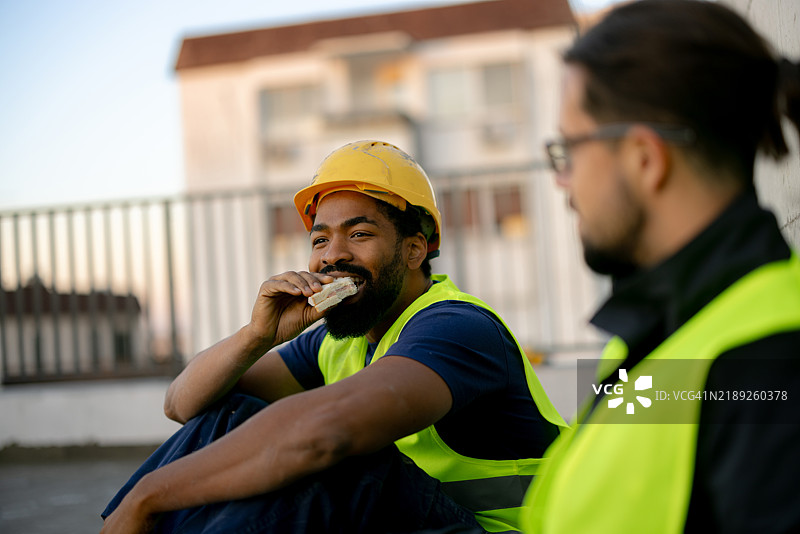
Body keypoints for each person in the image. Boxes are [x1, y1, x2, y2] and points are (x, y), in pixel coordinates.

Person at [101, 140, 567, 534]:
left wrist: (149, 496)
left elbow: (328, 433)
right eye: (320, 240)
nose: (332, 256)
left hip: (499, 529)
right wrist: (257, 335)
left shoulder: (456, 327)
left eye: (359, 234)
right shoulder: (337, 340)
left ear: (414, 249)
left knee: (327, 456)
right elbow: (182, 406)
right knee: (232, 413)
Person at [520, 1, 800, 532]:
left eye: (569, 151)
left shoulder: (770, 358)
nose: (562, 182)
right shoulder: (661, 333)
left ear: (645, 159)